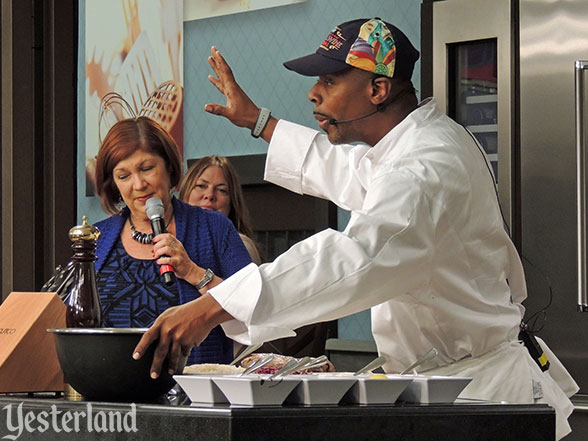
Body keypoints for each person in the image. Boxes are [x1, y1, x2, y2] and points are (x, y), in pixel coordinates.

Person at [134, 18, 577, 439]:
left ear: (378, 88)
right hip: (450, 389)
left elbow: (350, 260)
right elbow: (344, 170)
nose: (313, 94)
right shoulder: (406, 145)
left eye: (329, 81)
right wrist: (259, 121)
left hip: (482, 397)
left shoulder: (424, 168)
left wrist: (211, 307)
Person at [94, 116, 252, 366]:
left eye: (146, 169)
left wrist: (194, 272)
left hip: (193, 397)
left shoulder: (215, 228)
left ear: (169, 166)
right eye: (123, 175)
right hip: (113, 396)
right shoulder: (96, 240)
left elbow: (252, 307)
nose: (138, 184)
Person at [178, 155, 262, 264]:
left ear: (232, 202)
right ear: (185, 192)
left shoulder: (241, 245)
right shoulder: (167, 241)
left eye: (222, 190)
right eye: (201, 186)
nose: (210, 195)